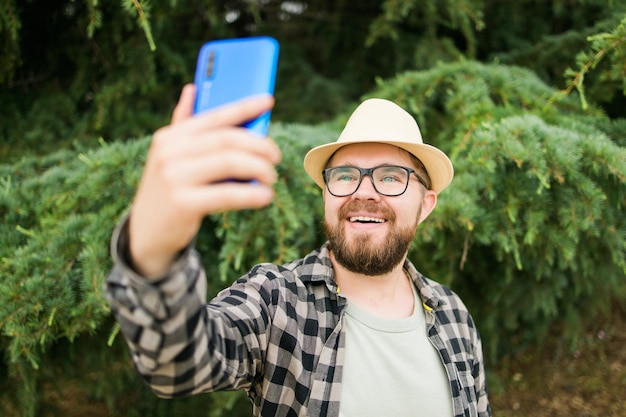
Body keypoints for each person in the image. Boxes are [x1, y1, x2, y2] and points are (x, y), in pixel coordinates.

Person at [106, 84, 491, 417]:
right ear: (326, 193)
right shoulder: (277, 300)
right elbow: (176, 364)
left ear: (425, 204)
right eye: (345, 176)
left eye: (391, 177)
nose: (364, 192)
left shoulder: (454, 315)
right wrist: (152, 249)